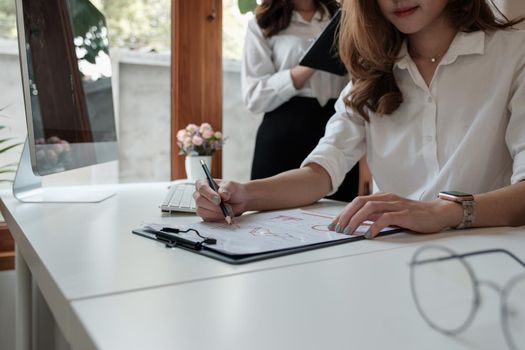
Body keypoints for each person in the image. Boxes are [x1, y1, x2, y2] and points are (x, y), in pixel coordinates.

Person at [195, 0, 525, 238]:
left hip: (490, 265)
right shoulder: (369, 75)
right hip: (389, 259)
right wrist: (242, 195)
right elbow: (321, 172)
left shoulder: (515, 54)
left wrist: (444, 212)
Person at [242, 0, 361, 201]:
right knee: (268, 218)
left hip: (336, 129)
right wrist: (312, 62)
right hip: (283, 131)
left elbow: (359, 79)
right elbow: (254, 97)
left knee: (337, 217)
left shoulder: (345, 17)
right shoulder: (262, 23)